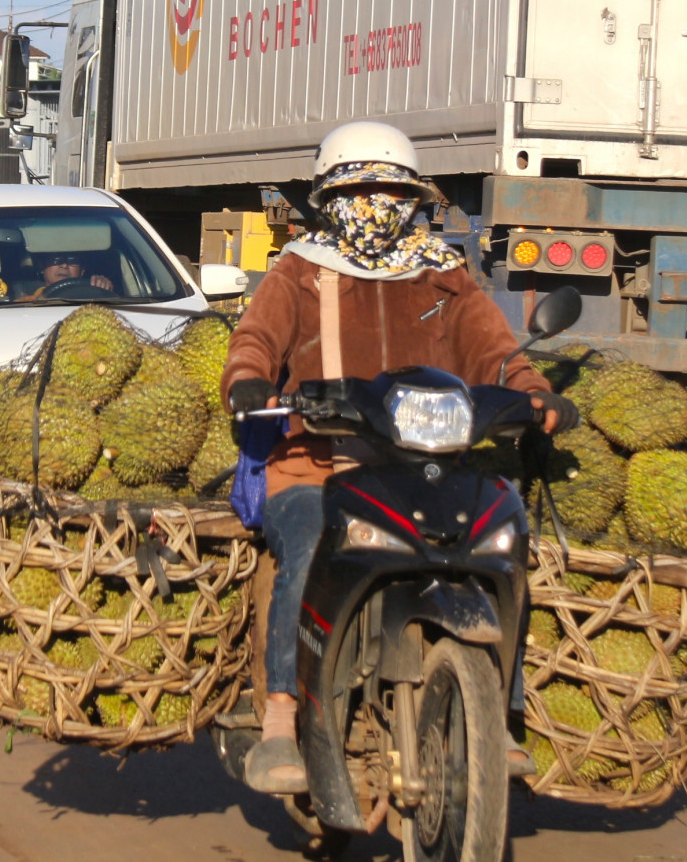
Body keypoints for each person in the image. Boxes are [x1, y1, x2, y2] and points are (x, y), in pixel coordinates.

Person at [220, 121, 572, 795]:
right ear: (329, 199)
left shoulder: (441, 272)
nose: (375, 204)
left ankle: (501, 710)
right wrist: (249, 382)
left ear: (413, 199)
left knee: (501, 542)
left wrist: (531, 391)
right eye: (358, 191)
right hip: (319, 464)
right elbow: (255, 341)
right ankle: (281, 716)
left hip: (426, 465)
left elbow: (492, 350)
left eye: (390, 191)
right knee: (307, 549)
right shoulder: (299, 270)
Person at [17, 250, 114, 299]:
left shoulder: (92, 299)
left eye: (72, 261)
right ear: (42, 267)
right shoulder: (26, 302)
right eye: (56, 259)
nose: (64, 265)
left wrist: (104, 290)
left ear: (82, 270)